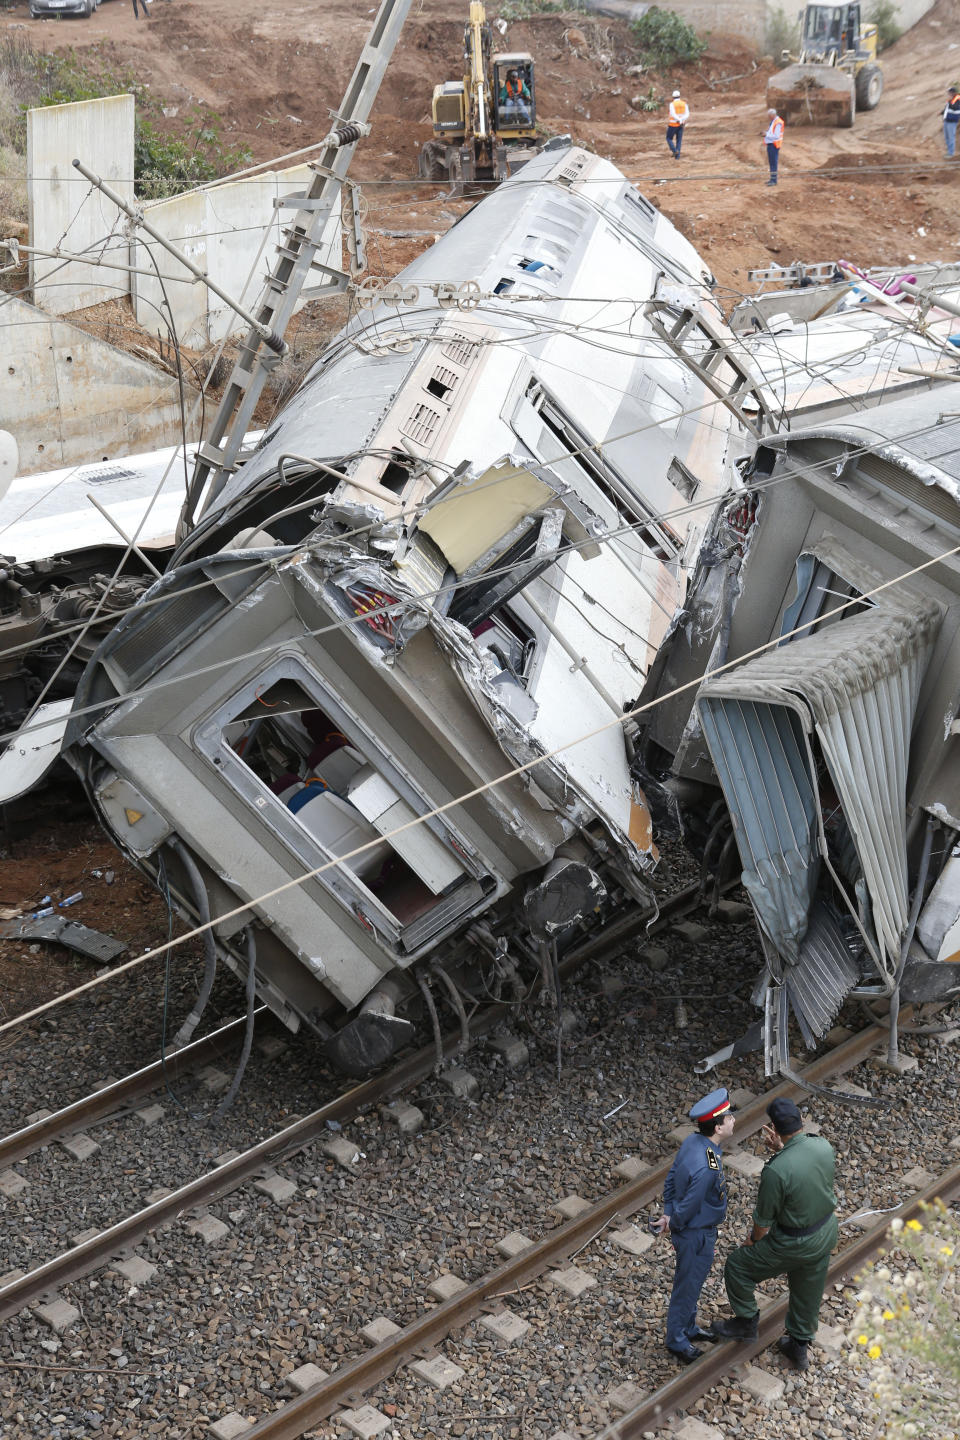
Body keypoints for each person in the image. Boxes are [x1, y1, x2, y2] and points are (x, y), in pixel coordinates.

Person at [709, 1096, 838, 1371]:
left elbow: (763, 1222)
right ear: (801, 1122)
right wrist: (783, 1149)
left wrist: (753, 1241)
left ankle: (745, 1322)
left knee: (737, 1266)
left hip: (793, 1242)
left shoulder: (775, 1171)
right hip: (826, 1231)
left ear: (774, 1129)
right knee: (808, 1285)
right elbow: (807, 1173)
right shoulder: (822, 1146)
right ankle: (799, 1347)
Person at [653, 1087, 734, 1363]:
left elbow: (672, 1177)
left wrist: (667, 1212)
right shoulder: (707, 1168)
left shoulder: (694, 1143)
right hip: (696, 1234)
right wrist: (674, 1220)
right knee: (687, 1286)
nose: (733, 1120)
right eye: (728, 1117)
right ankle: (676, 1339)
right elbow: (689, 1203)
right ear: (719, 1127)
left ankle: (687, 1327)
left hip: (694, 1229)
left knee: (693, 1282)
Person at [666, 90, 689, 159]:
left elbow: (673, 114)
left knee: (668, 138)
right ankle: (677, 157)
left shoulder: (672, 104)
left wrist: (679, 120)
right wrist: (682, 120)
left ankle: (675, 151)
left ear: (673, 97)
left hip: (673, 125)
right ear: (679, 96)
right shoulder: (684, 103)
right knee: (679, 140)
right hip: (681, 125)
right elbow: (687, 114)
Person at [764, 108, 784, 186]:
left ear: (772, 115)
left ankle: (774, 180)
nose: (769, 117)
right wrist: (765, 133)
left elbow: (776, 136)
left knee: (773, 163)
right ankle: (772, 179)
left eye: (769, 116)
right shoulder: (774, 122)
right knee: (771, 163)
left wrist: (766, 135)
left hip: (774, 144)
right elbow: (771, 132)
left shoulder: (778, 122)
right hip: (771, 144)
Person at [944, 85, 960, 157]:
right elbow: (947, 109)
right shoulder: (951, 100)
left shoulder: (957, 99)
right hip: (947, 120)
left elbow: (955, 107)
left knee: (951, 137)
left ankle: (951, 153)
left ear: (953, 93)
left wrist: (950, 102)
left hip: (952, 121)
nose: (949, 94)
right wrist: (942, 113)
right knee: (947, 137)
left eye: (950, 92)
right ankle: (949, 151)